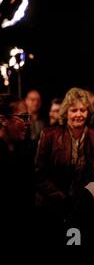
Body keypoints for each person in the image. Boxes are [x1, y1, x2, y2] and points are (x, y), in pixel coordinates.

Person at [35, 87, 94, 244]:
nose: (79, 115)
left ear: (88, 112)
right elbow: (38, 173)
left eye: (83, 110)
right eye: (74, 110)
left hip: (86, 208)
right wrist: (62, 198)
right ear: (66, 112)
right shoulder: (49, 135)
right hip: (52, 207)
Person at [0, 94, 34, 244]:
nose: (28, 123)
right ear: (3, 120)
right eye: (23, 117)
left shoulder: (24, 148)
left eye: (28, 117)